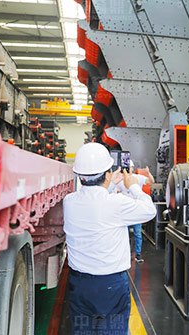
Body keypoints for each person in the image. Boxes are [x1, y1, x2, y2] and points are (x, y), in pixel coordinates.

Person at [63, 143, 157, 335]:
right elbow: (149, 210)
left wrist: (110, 183)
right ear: (107, 174)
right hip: (111, 285)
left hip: (79, 284)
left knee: (82, 330)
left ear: (79, 175)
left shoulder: (69, 202)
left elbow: (94, 200)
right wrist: (133, 186)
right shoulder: (117, 203)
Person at [109, 160, 155, 263]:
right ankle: (126, 254)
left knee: (138, 234)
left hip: (135, 210)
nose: (128, 169)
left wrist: (148, 173)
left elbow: (151, 181)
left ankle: (138, 254)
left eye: (129, 167)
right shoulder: (120, 179)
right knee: (124, 234)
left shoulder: (137, 178)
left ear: (132, 168)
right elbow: (114, 191)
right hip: (125, 210)